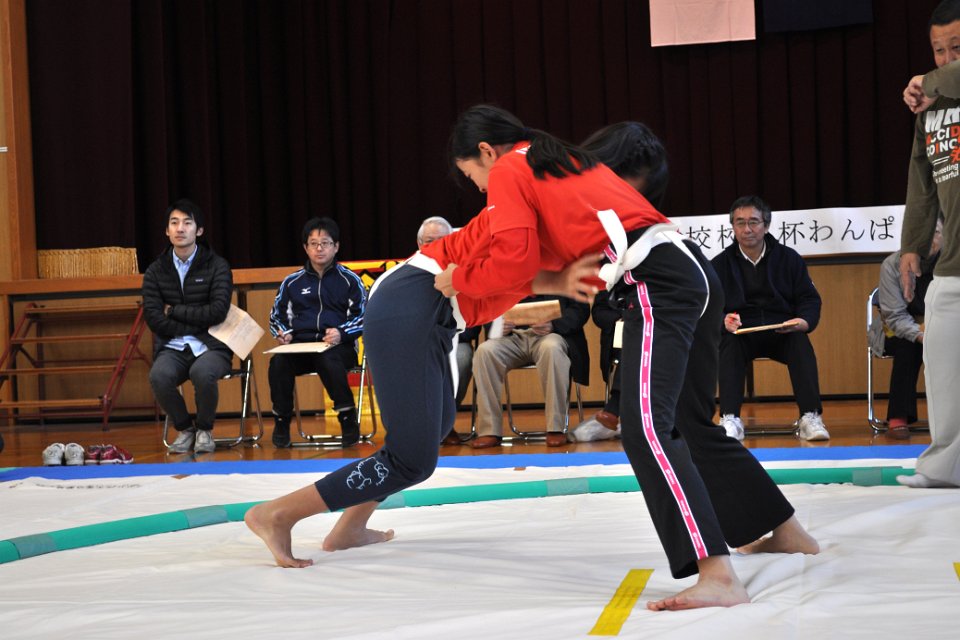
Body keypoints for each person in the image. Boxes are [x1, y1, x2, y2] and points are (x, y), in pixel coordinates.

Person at [246, 106, 818, 613]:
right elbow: (517, 264)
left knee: (431, 443)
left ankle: (341, 524)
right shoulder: (545, 173)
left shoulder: (518, 171)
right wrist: (491, 279)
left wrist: (492, 279)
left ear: (487, 152)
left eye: (472, 175)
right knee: (416, 452)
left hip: (477, 298)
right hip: (419, 299)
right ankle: (285, 515)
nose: (477, 188)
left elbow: (521, 262)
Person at [571, 121, 670, 442]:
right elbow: (602, 303)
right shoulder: (610, 242)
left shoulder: (652, 238)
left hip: (668, 319)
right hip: (628, 322)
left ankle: (620, 412)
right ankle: (618, 412)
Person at [897, 0, 960, 488]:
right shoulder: (930, 109)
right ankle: (944, 467)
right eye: (938, 50)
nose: (945, 59)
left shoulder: (931, 88)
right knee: (942, 369)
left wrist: (926, 81)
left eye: (956, 47)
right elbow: (922, 183)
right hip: (952, 266)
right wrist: (912, 245)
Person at [710, 195, 828, 442]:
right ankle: (730, 417)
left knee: (799, 341)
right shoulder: (719, 264)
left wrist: (804, 322)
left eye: (754, 222)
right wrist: (723, 320)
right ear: (733, 227)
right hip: (742, 332)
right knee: (728, 343)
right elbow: (708, 307)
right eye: (740, 223)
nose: (747, 229)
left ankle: (810, 416)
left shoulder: (789, 258)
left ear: (766, 225)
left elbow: (809, 298)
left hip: (781, 330)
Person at [143, 199, 233, 454]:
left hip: (212, 345)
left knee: (202, 372)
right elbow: (153, 318)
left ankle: (204, 429)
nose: (180, 228)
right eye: (174, 223)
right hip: (172, 346)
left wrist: (174, 310)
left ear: (199, 230)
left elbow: (217, 311)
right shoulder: (155, 271)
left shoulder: (217, 266)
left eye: (187, 223)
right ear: (167, 230)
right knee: (159, 376)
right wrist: (193, 323)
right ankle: (185, 429)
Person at [267, 217, 366, 448]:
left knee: (328, 359)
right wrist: (283, 333)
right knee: (278, 362)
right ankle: (281, 420)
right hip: (301, 347)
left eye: (325, 243)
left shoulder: (350, 280)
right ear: (306, 247)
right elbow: (276, 316)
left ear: (336, 247)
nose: (319, 248)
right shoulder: (291, 282)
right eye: (313, 243)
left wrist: (341, 332)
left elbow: (363, 317)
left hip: (339, 347)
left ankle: (347, 416)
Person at [470, 294, 589, 448]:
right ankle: (489, 430)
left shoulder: (566, 276)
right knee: (484, 351)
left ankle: (556, 428)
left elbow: (580, 309)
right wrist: (496, 324)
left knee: (552, 348)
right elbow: (486, 306)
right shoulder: (498, 276)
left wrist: (554, 324)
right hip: (509, 337)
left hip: (551, 335)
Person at [870, 216, 943, 439]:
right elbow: (895, 316)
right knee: (908, 345)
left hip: (943, 326)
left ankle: (949, 417)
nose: (929, 238)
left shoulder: (952, 263)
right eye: (922, 232)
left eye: (935, 232)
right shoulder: (893, 265)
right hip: (899, 329)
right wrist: (922, 334)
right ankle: (898, 417)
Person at [416, 215, 480, 446]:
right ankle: (418, 425)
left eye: (443, 241)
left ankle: (444, 422)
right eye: (429, 241)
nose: (436, 247)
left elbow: (474, 321)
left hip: (455, 340)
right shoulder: (410, 272)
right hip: (418, 342)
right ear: (419, 244)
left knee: (462, 357)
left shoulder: (465, 271)